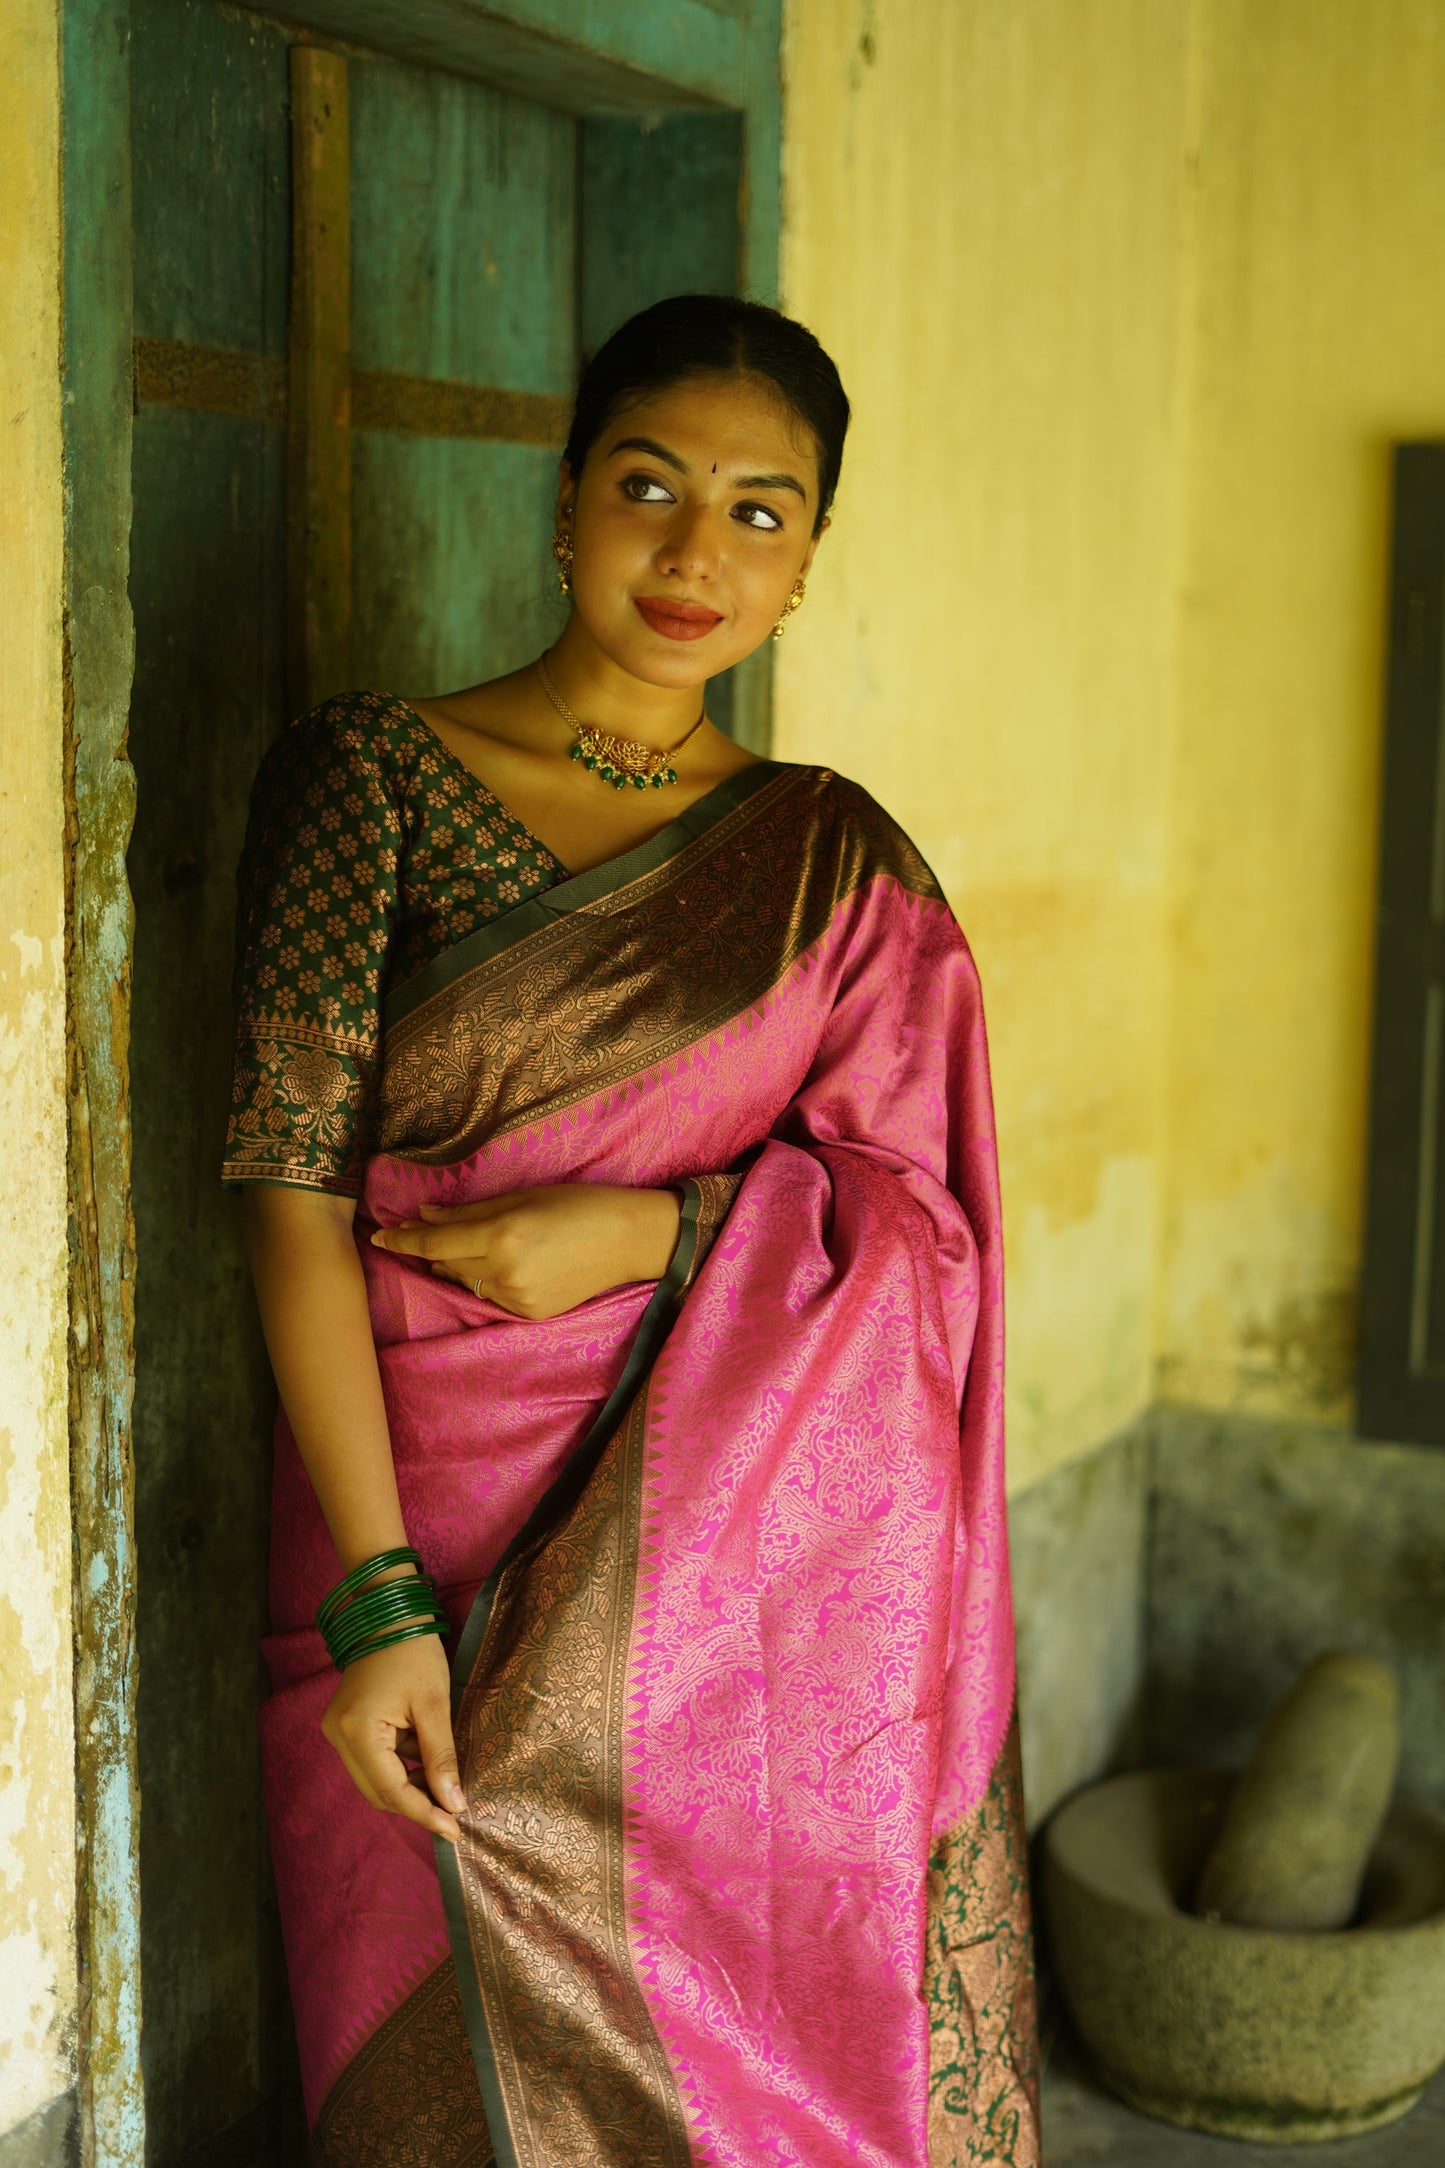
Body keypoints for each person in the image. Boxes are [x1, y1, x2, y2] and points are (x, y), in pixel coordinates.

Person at [225, 292, 1039, 2167]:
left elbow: (925, 1236)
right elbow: (287, 1191)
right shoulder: (370, 781)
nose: (696, 552)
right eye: (650, 486)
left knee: (734, 2057)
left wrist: (665, 1232)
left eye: (762, 511)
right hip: (405, 1513)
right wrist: (377, 1602)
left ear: (810, 557)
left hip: (731, 1596)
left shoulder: (837, 867)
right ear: (566, 499)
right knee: (421, 2056)